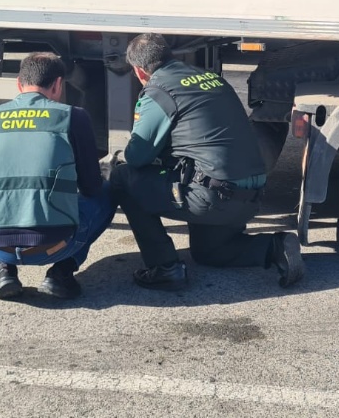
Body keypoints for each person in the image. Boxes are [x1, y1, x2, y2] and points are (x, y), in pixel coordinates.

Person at [110, 33, 304, 291]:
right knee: (210, 252)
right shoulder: (211, 78)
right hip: (250, 195)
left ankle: (164, 268)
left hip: (213, 197)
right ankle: (275, 247)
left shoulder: (159, 91)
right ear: (169, 55)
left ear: (139, 70)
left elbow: (137, 156)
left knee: (123, 177)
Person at [0, 52, 116, 300]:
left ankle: (4, 269)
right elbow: (91, 187)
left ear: (19, 83)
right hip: (53, 245)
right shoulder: (73, 116)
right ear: (58, 84)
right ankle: (61, 273)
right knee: (107, 193)